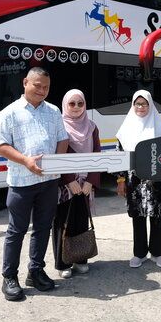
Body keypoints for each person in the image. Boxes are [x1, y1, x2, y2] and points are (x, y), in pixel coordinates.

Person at [0, 67, 69, 301]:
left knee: (43, 227)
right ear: (25, 82)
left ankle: (35, 271)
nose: (42, 91)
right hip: (21, 183)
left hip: (48, 182)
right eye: (37, 85)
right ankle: (9, 277)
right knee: (16, 230)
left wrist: (55, 163)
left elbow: (62, 139)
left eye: (46, 87)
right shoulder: (9, 113)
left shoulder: (54, 111)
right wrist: (26, 160)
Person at [115, 90, 161, 268]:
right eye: (137, 104)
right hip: (134, 181)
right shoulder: (125, 129)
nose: (141, 107)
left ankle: (157, 252)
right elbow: (120, 157)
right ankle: (139, 253)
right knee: (138, 216)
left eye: (144, 104)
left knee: (156, 216)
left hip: (157, 180)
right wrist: (120, 181)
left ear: (150, 105)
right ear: (133, 105)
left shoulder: (160, 128)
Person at [52, 89, 101, 279]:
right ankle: (63, 262)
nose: (76, 107)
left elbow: (97, 155)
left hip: (85, 185)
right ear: (65, 105)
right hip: (65, 186)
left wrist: (90, 181)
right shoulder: (59, 126)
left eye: (80, 103)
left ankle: (80, 258)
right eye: (72, 103)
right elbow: (57, 156)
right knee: (63, 222)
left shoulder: (92, 127)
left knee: (81, 220)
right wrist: (69, 180)